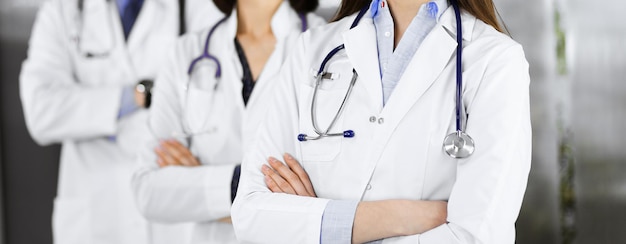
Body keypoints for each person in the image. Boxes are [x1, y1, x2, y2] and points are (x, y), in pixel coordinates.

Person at [231, 0, 532, 243]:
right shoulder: (311, 49)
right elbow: (251, 215)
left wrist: (317, 226)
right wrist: (395, 216)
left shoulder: (495, 61)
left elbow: (475, 235)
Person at [19, 0, 220, 243]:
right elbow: (41, 110)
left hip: (173, 207)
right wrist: (137, 96)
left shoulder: (197, 7)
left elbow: (218, 96)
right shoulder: (63, 9)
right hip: (95, 212)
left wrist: (97, 117)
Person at [130, 0, 325, 243]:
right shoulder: (186, 51)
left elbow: (330, 187)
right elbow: (149, 192)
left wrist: (203, 186)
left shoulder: (328, 45)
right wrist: (250, 188)